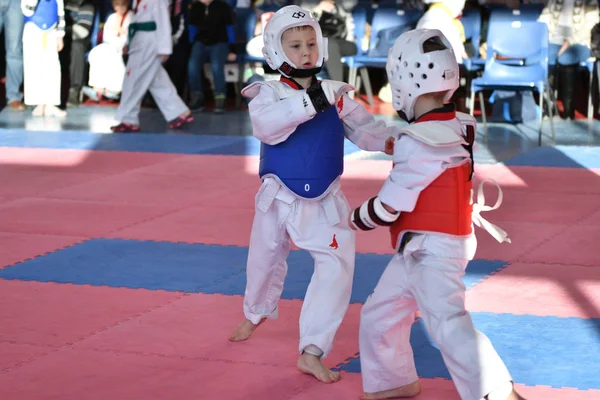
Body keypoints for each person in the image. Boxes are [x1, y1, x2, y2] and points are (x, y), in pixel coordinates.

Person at [349, 29, 525, 400]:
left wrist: (352, 219)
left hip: (434, 249)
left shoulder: (418, 141)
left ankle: (496, 391)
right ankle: (392, 382)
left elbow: (389, 205)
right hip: (424, 245)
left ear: (403, 82)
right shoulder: (460, 124)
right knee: (380, 315)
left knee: (447, 322)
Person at [228, 5, 395, 384]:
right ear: (275, 51)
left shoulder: (335, 96)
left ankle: (312, 350)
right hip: (278, 199)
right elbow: (268, 128)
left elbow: (365, 130)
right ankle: (254, 312)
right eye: (295, 45)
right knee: (263, 262)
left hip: (325, 200)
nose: (306, 52)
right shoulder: (266, 92)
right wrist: (313, 101)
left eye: (310, 44)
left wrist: (394, 141)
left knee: (337, 267)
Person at [110, 0, 193, 132]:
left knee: (133, 80)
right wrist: (128, 43)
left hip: (150, 43)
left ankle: (128, 118)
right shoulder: (136, 2)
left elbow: (163, 22)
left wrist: (165, 48)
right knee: (157, 80)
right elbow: (135, 22)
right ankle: (179, 112)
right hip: (139, 41)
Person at [21, 0, 67, 117]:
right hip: (33, 30)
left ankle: (50, 104)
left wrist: (60, 35)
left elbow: (60, 13)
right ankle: (39, 103)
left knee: (52, 67)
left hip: (51, 31)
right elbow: (27, 11)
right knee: (34, 66)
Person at [82, 0, 131, 102]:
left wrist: (119, 29)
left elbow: (130, 35)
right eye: (117, 5)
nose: (120, 8)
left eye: (123, 5)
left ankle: (115, 89)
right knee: (96, 53)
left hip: (124, 47)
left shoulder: (131, 16)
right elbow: (107, 36)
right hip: (110, 44)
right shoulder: (112, 17)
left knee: (113, 55)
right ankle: (97, 88)